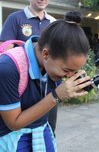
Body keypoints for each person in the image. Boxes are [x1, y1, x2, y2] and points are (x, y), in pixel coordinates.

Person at [0, 11, 91, 151]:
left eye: (74, 71)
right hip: (11, 136)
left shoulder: (51, 65)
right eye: (67, 70)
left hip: (41, 130)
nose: (69, 76)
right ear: (46, 54)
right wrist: (56, 95)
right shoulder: (8, 68)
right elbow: (14, 123)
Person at [0, 0, 59, 135]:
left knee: (48, 126)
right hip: (22, 86)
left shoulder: (53, 23)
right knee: (19, 129)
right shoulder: (16, 18)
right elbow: (5, 49)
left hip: (48, 83)